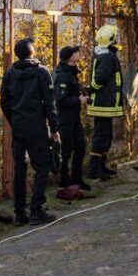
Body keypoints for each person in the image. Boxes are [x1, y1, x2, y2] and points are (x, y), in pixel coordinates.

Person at [0, 38, 59, 225]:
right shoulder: (41, 72)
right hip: (37, 127)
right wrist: (54, 127)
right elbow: (49, 102)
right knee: (42, 166)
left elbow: (4, 102)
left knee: (20, 169)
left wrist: (14, 120)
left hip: (19, 127)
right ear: (31, 52)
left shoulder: (10, 73)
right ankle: (36, 209)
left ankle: (19, 213)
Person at [86, 24, 124, 180]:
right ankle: (95, 169)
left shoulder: (103, 54)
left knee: (105, 136)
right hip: (104, 103)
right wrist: (91, 89)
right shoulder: (107, 56)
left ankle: (101, 166)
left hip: (105, 102)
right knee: (101, 137)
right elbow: (100, 78)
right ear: (111, 39)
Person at [53, 45, 90, 193]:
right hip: (65, 119)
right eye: (76, 52)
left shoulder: (72, 73)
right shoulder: (62, 75)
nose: (78, 54)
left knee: (80, 148)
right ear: (69, 58)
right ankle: (64, 179)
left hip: (74, 118)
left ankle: (77, 178)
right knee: (67, 150)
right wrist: (78, 100)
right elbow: (60, 100)